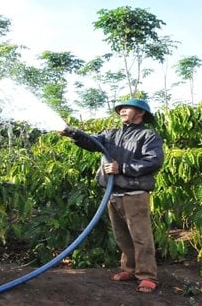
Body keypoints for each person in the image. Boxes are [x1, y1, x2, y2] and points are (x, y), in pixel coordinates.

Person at [59, 99, 164, 293]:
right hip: (113, 192)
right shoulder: (111, 134)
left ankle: (147, 276)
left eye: (127, 108)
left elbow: (154, 161)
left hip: (134, 192)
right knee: (121, 236)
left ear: (140, 113)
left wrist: (122, 167)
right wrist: (72, 133)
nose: (122, 110)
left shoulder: (148, 136)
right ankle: (129, 269)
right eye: (120, 109)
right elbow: (92, 142)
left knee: (141, 236)